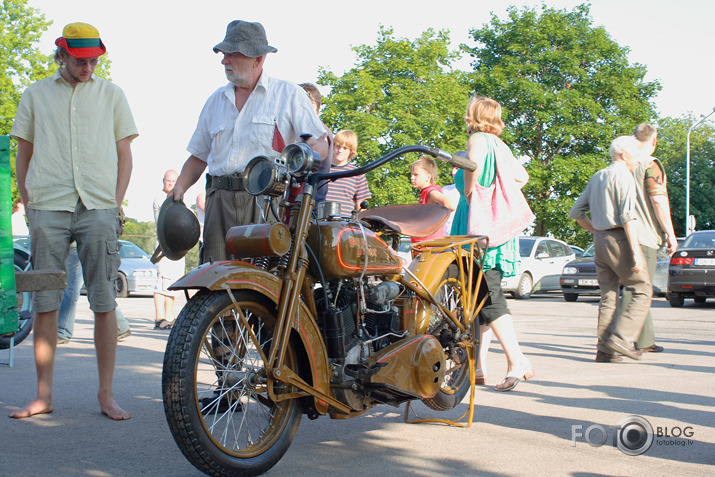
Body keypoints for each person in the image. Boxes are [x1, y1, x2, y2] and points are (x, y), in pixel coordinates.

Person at [10, 22, 136, 419]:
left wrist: (115, 204)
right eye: (81, 61)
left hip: (98, 208)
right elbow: (23, 155)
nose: (88, 67)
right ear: (62, 54)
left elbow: (125, 155)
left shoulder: (112, 95)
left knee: (103, 299)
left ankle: (106, 394)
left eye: (94, 60)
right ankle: (43, 396)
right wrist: (30, 205)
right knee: (45, 302)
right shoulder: (34, 95)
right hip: (48, 207)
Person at [171, 20, 328, 263]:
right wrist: (180, 186)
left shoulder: (287, 95)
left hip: (266, 202)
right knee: (213, 281)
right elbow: (198, 156)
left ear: (258, 59)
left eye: (233, 54)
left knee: (261, 285)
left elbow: (320, 142)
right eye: (224, 54)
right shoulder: (215, 101)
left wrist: (306, 155)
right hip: (218, 202)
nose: (225, 61)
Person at [451, 96, 535, 392]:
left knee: (488, 293)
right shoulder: (501, 144)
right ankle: (479, 367)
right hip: (495, 230)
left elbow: (473, 167)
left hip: (478, 226)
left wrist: (473, 192)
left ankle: (516, 359)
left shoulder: (477, 139)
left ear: (472, 115)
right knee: (479, 296)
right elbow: (521, 176)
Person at [569, 135, 652, 363]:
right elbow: (628, 217)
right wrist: (636, 254)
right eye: (636, 155)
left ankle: (605, 350)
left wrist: (596, 231)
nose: (638, 161)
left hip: (600, 241)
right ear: (624, 154)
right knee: (642, 288)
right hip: (619, 238)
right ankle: (622, 339)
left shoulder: (598, 176)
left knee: (609, 295)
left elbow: (576, 212)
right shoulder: (625, 176)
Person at [615, 123, 677, 354]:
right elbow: (658, 200)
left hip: (618, 234)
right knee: (638, 290)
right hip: (643, 236)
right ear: (654, 141)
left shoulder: (621, 166)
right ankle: (617, 338)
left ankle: (644, 339)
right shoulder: (649, 165)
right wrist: (670, 234)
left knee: (638, 288)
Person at [57, 243, 131, 344]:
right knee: (97, 287)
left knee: (72, 288)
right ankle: (121, 325)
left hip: (76, 243)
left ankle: (62, 331)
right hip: (90, 242)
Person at [153, 169, 184, 330]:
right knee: (162, 282)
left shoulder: (176, 198)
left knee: (172, 283)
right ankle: (160, 318)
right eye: (168, 180)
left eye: (174, 180)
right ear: (163, 181)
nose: (171, 183)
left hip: (176, 245)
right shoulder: (161, 199)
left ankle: (169, 317)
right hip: (165, 244)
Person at [299, 83, 334, 206]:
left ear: (311, 104)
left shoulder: (319, 132)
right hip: (300, 203)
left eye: (298, 102)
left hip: (308, 206)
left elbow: (313, 154)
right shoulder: (319, 130)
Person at [409, 155, 455, 245]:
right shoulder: (424, 193)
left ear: (428, 177)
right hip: (423, 246)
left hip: (430, 246)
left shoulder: (431, 192)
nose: (412, 177)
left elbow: (449, 205)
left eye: (416, 175)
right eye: (411, 174)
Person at [325, 129, 371, 215]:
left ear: (351, 151)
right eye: (338, 146)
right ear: (333, 146)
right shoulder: (322, 169)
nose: (340, 150)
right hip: (319, 221)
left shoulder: (357, 173)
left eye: (345, 148)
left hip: (345, 224)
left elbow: (361, 207)